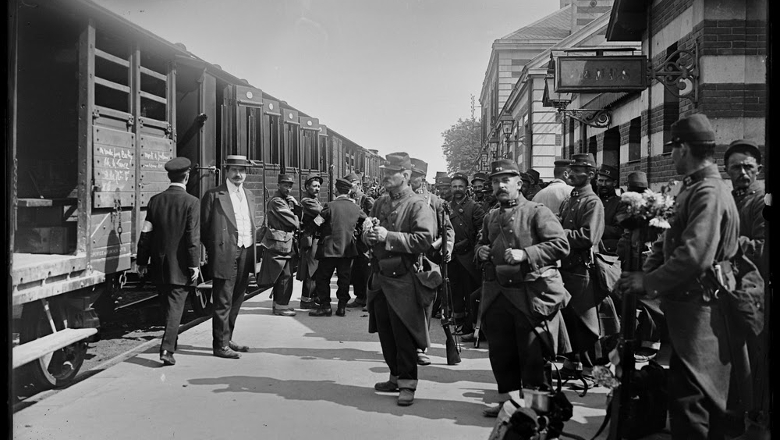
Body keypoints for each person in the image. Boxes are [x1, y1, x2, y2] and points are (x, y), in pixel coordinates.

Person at [615, 113, 745, 439]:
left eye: (672, 149)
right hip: (686, 308)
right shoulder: (694, 189)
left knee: (694, 400)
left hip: (703, 311)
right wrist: (643, 273)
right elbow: (667, 241)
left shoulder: (708, 193)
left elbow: (694, 255)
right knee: (690, 394)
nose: (670, 156)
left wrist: (647, 282)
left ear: (684, 149)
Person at [476, 158, 571, 417]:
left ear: (519, 183)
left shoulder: (537, 211)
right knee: (501, 354)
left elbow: (561, 245)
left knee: (533, 357)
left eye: (505, 180)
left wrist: (526, 254)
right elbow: (482, 242)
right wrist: (481, 250)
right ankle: (509, 403)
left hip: (529, 295)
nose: (500, 185)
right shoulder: (491, 216)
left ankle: (537, 411)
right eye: (495, 181)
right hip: (497, 295)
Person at [364, 152, 437, 407]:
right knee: (385, 332)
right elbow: (369, 235)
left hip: (404, 278)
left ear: (405, 175)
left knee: (403, 334)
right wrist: (369, 236)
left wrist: (388, 236)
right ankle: (394, 376)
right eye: (385, 170)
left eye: (390, 172)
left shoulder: (418, 205)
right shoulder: (380, 202)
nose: (385, 176)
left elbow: (424, 240)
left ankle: (408, 384)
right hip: (381, 277)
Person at [136, 157, 200, 366]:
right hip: (180, 266)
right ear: (187, 176)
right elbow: (192, 238)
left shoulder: (156, 200)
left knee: (167, 305)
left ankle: (172, 341)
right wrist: (194, 264)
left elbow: (146, 234)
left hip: (160, 265)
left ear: (169, 176)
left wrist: (142, 261)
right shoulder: (192, 202)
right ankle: (167, 349)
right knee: (175, 309)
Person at [724, 139, 768, 425]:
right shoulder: (730, 198)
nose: (742, 172)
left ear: (758, 169)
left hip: (755, 290)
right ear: (726, 170)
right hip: (729, 286)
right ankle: (733, 411)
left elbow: (764, 248)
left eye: (748, 167)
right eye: (736, 167)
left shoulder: (762, 199)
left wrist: (728, 242)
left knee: (753, 356)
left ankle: (752, 414)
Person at [201, 155, 258, 359]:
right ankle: (219, 345)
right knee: (223, 299)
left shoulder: (249, 194)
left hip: (246, 251)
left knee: (237, 298)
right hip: (225, 253)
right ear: (226, 172)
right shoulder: (214, 195)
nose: (238, 174)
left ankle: (228, 338)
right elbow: (204, 228)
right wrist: (216, 249)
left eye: (242, 171)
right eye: (234, 170)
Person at [557, 153, 606, 381]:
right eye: (571, 169)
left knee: (586, 321)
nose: (572, 173)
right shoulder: (570, 199)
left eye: (577, 170)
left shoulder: (592, 202)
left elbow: (588, 236)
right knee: (570, 317)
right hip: (566, 267)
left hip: (581, 268)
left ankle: (591, 372)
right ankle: (572, 363)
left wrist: (561, 233)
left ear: (591, 174)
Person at [615, 171, 664, 362]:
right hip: (631, 254)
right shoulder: (629, 203)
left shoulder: (654, 205)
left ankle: (651, 343)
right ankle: (634, 339)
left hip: (646, 255)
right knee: (633, 299)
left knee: (648, 300)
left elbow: (657, 232)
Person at [410, 157, 454, 365]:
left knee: (426, 303)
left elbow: (447, 230)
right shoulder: (397, 201)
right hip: (403, 259)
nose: (410, 180)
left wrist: (442, 246)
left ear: (422, 179)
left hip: (427, 260)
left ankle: (420, 347)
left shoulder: (435, 202)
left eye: (414, 177)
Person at [309, 178, 367, 317]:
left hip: (329, 249)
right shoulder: (356, 208)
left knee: (323, 278)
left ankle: (325, 306)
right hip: (347, 250)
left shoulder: (330, 206)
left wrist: (309, 232)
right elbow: (367, 223)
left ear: (336, 190)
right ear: (348, 191)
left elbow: (317, 222)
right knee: (344, 278)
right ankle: (341, 307)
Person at [257, 172, 301, 317]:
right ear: (278, 185)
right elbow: (294, 222)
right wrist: (295, 208)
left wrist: (295, 206)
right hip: (280, 242)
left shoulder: (284, 200)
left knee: (282, 273)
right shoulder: (278, 201)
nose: (288, 189)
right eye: (285, 185)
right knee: (284, 275)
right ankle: (281, 307)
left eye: (289, 186)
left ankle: (279, 304)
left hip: (282, 241)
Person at [447, 171, 485, 338]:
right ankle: (458, 320)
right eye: (454, 186)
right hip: (451, 255)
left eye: (460, 186)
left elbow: (481, 232)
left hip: (467, 257)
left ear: (466, 188)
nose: (457, 189)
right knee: (455, 290)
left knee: (469, 291)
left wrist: (470, 244)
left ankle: (469, 325)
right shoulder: (446, 206)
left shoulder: (474, 207)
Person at [345, 172, 373, 311]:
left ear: (358, 185)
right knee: (356, 270)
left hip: (364, 240)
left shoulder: (366, 200)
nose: (350, 189)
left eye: (352, 185)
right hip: (353, 240)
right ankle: (360, 297)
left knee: (367, 270)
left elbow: (372, 220)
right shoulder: (349, 200)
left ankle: (369, 300)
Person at [297, 174, 324, 310]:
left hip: (315, 237)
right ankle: (306, 300)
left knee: (315, 268)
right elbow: (322, 213)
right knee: (311, 269)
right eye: (314, 186)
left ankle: (312, 297)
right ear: (307, 187)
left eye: (319, 186)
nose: (317, 189)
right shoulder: (308, 201)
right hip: (311, 238)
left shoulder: (314, 200)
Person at [596, 164, 625, 255]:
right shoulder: (593, 201)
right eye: (601, 181)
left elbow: (618, 230)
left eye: (607, 181)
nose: (603, 184)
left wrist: (594, 229)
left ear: (614, 183)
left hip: (608, 252)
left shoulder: (620, 203)